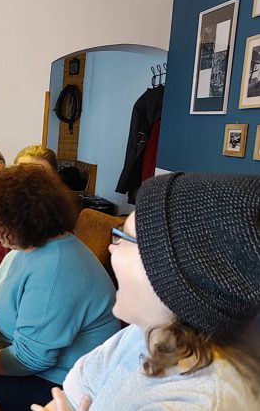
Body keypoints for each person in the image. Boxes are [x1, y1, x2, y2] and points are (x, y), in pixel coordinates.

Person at [32, 173, 260, 411]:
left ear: (172, 272)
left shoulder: (198, 402)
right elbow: (67, 400)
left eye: (123, 236)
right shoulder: (143, 335)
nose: (111, 248)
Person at [0, 164, 119, 410]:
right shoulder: (27, 250)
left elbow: (30, 359)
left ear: (22, 219)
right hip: (29, 368)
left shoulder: (57, 267)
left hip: (58, 387)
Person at [0, 145, 58, 311]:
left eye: (38, 178)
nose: (27, 184)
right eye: (21, 175)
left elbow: (20, 292)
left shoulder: (53, 229)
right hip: (1, 297)